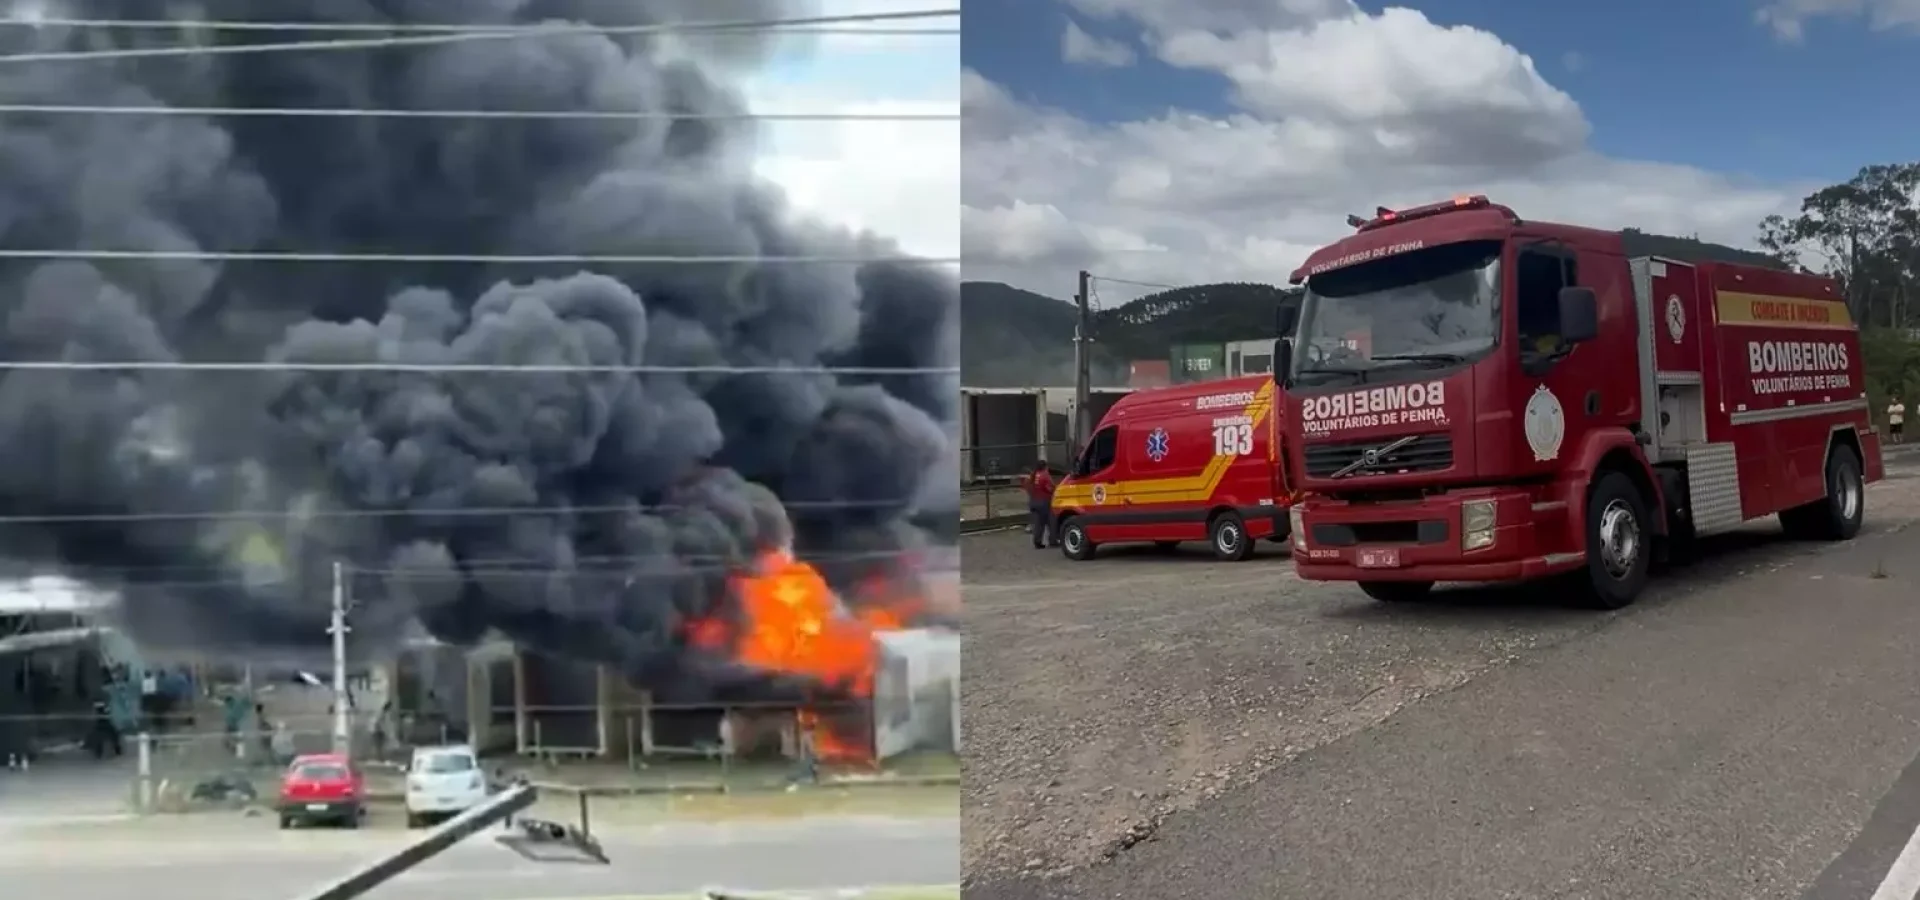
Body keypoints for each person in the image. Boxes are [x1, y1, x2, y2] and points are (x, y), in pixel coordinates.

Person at [1023, 460, 1055, 549]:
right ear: (1045, 467)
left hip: (1033, 502)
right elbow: (1050, 489)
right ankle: (1053, 540)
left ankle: (1037, 542)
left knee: (1038, 524)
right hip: (1044, 503)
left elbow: (1027, 487)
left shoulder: (1033, 475)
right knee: (1051, 521)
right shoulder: (1045, 475)